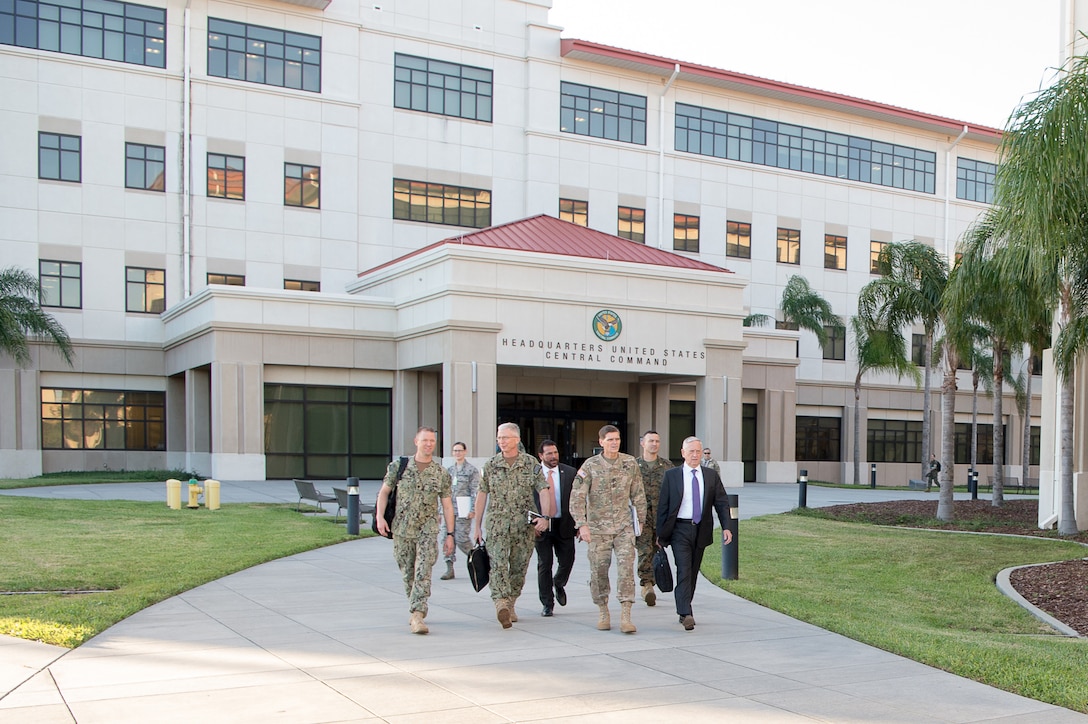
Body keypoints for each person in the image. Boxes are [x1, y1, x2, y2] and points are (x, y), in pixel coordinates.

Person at [376, 426, 456, 635]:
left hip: (427, 530)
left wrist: (450, 534)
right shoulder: (399, 466)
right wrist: (379, 518)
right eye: (425, 440)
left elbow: (447, 505)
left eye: (432, 441)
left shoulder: (440, 473)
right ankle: (415, 607)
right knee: (408, 572)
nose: (429, 444)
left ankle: (418, 613)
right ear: (416, 441)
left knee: (423, 570)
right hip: (402, 529)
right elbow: (384, 493)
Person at [473, 422, 552, 628]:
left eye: (505, 438)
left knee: (518, 567)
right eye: (499, 438)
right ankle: (500, 602)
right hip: (497, 525)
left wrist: (545, 517)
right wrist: (477, 526)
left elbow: (543, 490)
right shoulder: (490, 465)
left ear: (516, 439)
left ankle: (510, 603)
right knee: (498, 565)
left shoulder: (530, 463)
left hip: (523, 527)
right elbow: (482, 495)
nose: (501, 441)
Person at [570, 424, 646, 634]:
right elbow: (577, 496)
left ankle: (626, 615)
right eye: (610, 439)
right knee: (599, 572)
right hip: (597, 530)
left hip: (623, 527)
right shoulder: (590, 465)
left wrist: (640, 519)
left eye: (617, 439)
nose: (614, 443)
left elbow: (638, 493)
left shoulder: (629, 463)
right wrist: (581, 524)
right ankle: (603, 610)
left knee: (626, 570)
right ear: (601, 441)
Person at [657, 436, 733, 632]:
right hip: (679, 530)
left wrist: (727, 526)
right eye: (691, 451)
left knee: (692, 570)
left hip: (701, 529)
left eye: (698, 451)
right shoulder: (672, 476)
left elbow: (722, 502)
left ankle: (684, 606)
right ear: (683, 453)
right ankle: (685, 612)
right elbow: (663, 507)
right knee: (683, 569)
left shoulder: (710, 475)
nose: (695, 455)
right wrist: (660, 534)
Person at [534, 439, 577, 617]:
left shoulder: (569, 472)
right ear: (541, 456)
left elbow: (577, 499)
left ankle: (558, 583)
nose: (554, 456)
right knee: (545, 564)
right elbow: (527, 501)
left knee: (567, 561)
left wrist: (580, 524)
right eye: (549, 453)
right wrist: (533, 523)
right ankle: (547, 603)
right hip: (542, 526)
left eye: (556, 452)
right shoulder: (533, 474)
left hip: (564, 523)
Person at [635, 430, 673, 607]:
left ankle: (655, 580)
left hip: (661, 517)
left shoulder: (667, 466)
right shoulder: (633, 466)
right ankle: (647, 585)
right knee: (644, 550)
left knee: (658, 550)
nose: (654, 444)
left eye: (657, 441)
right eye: (651, 441)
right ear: (643, 443)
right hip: (641, 518)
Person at [438, 441, 480, 580]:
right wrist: (439, 511)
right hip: (449, 510)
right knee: (446, 537)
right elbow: (443, 492)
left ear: (465, 452)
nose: (457, 453)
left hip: (463, 509)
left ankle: (477, 558)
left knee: (461, 538)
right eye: (455, 451)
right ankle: (449, 568)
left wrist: (473, 509)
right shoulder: (449, 470)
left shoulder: (471, 470)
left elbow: (475, 491)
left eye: (460, 450)